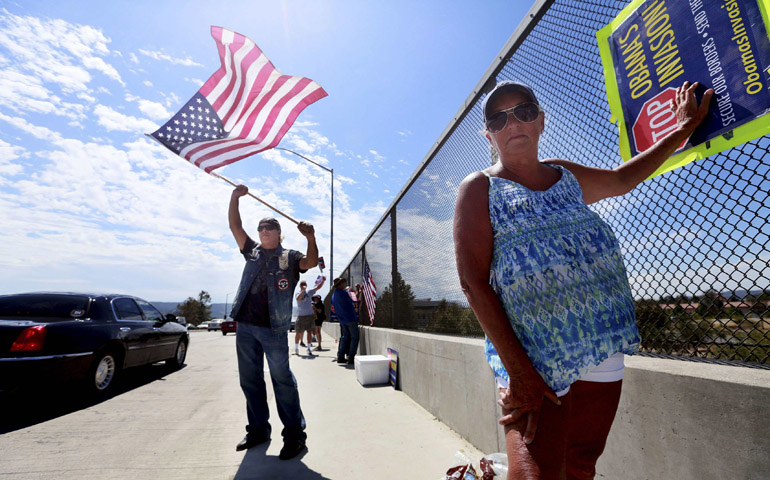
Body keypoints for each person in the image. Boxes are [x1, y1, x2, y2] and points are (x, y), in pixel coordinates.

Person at [453, 80, 712, 479]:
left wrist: (680, 131)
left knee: (580, 466)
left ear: (541, 121)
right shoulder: (480, 189)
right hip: (534, 362)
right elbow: (472, 282)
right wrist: (519, 372)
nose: (513, 123)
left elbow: (623, 179)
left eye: (523, 111)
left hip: (602, 346)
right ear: (489, 134)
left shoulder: (566, 176)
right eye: (499, 118)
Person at [228, 184, 319, 460]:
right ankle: (258, 430)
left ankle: (294, 436)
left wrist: (311, 237)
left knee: (282, 380)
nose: (264, 231)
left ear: (279, 233)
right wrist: (234, 198)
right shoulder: (252, 251)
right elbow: (235, 226)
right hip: (245, 327)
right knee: (250, 380)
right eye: (261, 228)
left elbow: (311, 261)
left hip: (274, 329)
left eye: (269, 227)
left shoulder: (289, 257)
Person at [294, 276, 326, 356]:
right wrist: (302, 291)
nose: (303, 285)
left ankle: (308, 349)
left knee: (309, 332)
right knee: (298, 332)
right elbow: (298, 299)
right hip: (301, 316)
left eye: (305, 284)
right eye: (302, 284)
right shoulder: (298, 293)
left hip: (309, 316)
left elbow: (318, 287)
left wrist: (323, 281)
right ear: (300, 286)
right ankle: (296, 349)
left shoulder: (309, 292)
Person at [331, 277, 359, 364]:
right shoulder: (344, 293)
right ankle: (351, 357)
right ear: (339, 285)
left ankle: (340, 356)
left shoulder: (334, 295)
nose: (343, 285)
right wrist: (358, 290)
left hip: (342, 320)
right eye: (342, 283)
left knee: (344, 337)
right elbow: (355, 299)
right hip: (350, 318)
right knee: (355, 337)